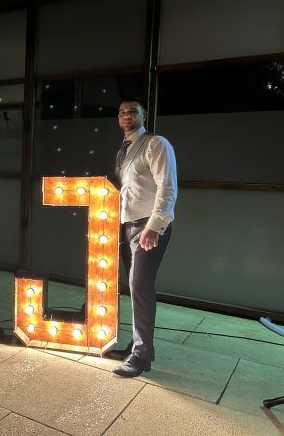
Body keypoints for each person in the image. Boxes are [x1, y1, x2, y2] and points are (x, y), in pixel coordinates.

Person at [109, 99, 177, 377]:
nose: (127, 116)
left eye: (132, 112)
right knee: (135, 289)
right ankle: (140, 344)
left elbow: (168, 187)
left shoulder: (156, 143)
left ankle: (141, 356)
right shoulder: (123, 149)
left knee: (141, 287)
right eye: (122, 112)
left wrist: (155, 225)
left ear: (143, 115)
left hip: (147, 227)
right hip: (127, 227)